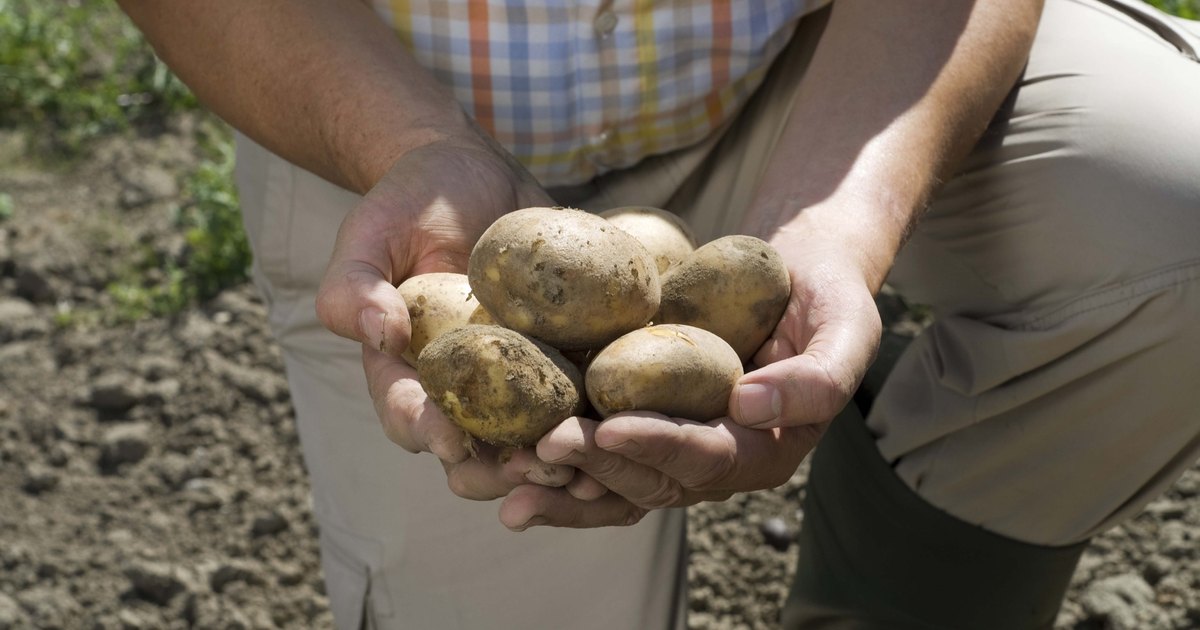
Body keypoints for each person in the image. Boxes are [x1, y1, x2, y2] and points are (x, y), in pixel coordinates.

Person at [117, 0, 1200, 628]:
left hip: (828, 74)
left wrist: (837, 219)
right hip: (384, 135)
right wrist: (406, 147)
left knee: (1174, 225)